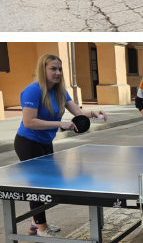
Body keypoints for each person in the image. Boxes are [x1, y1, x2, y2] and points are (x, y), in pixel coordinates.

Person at [17, 54, 107, 238]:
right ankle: (42, 230)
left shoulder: (60, 91)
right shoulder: (32, 91)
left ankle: (35, 222)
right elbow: (29, 122)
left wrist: (92, 113)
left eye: (60, 69)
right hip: (28, 142)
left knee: (48, 184)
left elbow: (77, 111)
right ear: (43, 70)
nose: (57, 73)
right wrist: (58, 124)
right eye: (53, 69)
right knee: (38, 186)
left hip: (45, 142)